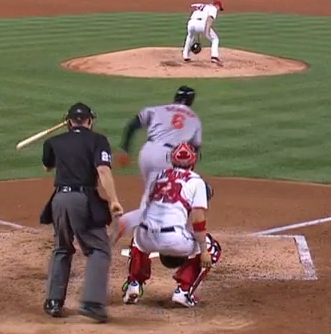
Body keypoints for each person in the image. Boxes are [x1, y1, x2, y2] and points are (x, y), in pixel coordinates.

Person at [40, 102, 124, 323]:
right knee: (99, 249)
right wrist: (114, 200)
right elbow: (103, 170)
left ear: (68, 122)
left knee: (62, 247)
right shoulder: (98, 140)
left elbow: (47, 166)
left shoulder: (53, 141)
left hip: (58, 200)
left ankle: (53, 302)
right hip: (82, 200)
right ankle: (93, 304)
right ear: (90, 121)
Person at [117, 143, 222, 307]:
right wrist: (203, 251)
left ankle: (134, 284)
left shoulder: (155, 177)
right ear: (193, 161)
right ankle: (184, 291)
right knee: (212, 247)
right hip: (173, 240)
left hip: (146, 236)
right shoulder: (196, 182)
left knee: (138, 238)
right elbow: (197, 219)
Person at [116, 86, 202, 208]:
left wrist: (125, 149)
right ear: (191, 101)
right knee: (154, 194)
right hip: (166, 157)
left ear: (175, 97)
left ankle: (150, 221)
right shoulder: (194, 119)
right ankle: (144, 223)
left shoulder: (158, 109)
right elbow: (195, 149)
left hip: (146, 152)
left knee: (151, 189)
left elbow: (132, 125)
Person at [182, 0, 224, 66]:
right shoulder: (213, 8)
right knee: (215, 39)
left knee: (190, 36)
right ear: (217, 6)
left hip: (191, 22)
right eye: (219, 8)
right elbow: (209, 19)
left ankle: (186, 55)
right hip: (202, 23)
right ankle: (214, 57)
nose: (218, 10)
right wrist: (206, 32)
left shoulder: (202, 5)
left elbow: (192, 7)